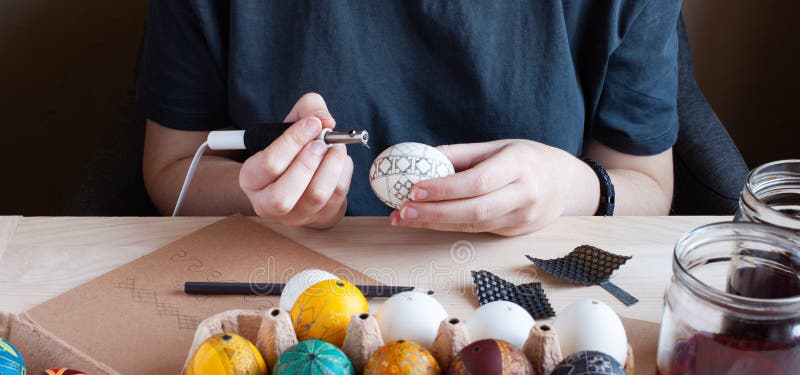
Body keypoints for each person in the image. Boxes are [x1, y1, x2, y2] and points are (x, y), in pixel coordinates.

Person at [139, 1, 680, 236]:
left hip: (525, 292)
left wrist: (570, 188)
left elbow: (650, 190)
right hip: (287, 283)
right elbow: (173, 170)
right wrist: (263, 196)